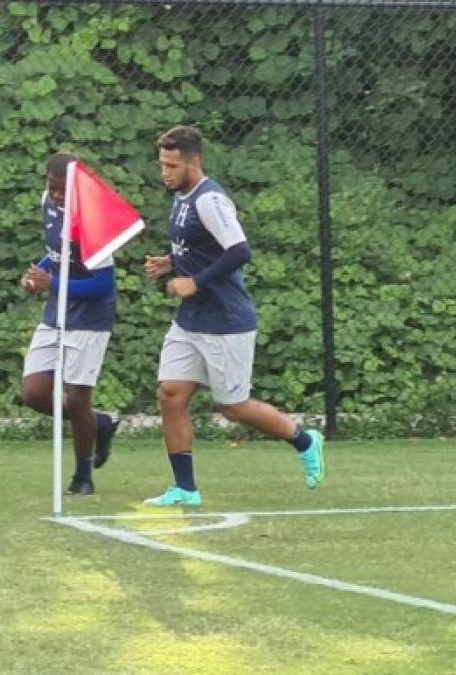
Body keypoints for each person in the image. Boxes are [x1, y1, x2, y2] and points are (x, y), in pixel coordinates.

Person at [142, 125, 325, 507]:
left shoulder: (210, 200)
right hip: (191, 320)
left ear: (194, 162)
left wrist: (194, 282)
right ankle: (185, 489)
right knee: (170, 393)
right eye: (162, 164)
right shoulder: (180, 198)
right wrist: (171, 262)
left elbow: (238, 251)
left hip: (226, 321)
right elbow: (202, 246)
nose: (165, 172)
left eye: (172, 165)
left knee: (232, 407)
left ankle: (305, 440)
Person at [19, 153, 120, 496]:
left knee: (78, 399)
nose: (58, 195)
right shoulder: (47, 201)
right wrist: (38, 273)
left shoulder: (93, 219)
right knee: (33, 392)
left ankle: (83, 475)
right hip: (56, 313)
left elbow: (102, 285)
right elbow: (58, 252)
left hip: (90, 319)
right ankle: (99, 425)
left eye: (65, 190)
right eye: (53, 187)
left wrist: (54, 284)